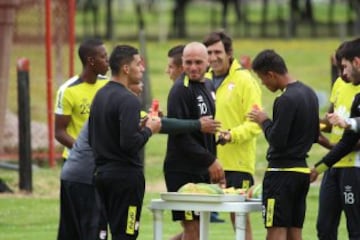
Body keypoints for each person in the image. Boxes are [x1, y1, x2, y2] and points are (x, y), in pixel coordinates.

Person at [88, 45, 162, 240]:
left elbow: (93, 138)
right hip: (125, 180)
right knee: (126, 234)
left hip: (101, 175)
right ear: (126, 68)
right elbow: (129, 144)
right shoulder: (128, 100)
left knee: (101, 234)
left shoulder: (100, 95)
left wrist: (137, 127)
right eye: (139, 64)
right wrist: (149, 130)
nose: (142, 68)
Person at [248, 49, 319, 240]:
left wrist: (264, 120)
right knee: (295, 231)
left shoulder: (285, 99)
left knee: (276, 229)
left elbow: (277, 141)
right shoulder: (310, 93)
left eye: (263, 79)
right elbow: (314, 135)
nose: (263, 84)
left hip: (280, 175)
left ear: (271, 74)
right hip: (301, 173)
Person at [164, 42, 226, 240]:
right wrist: (211, 161)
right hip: (182, 170)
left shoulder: (207, 85)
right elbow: (181, 137)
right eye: (188, 62)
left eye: (198, 62)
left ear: (208, 62)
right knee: (193, 229)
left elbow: (207, 134)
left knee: (196, 228)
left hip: (200, 169)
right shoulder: (179, 90)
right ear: (182, 63)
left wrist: (213, 165)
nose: (193, 67)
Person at [203, 30, 262, 235]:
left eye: (217, 52)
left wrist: (230, 135)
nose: (213, 57)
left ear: (229, 53)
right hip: (208, 162)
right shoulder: (203, 80)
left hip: (237, 164)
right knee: (198, 218)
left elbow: (255, 124)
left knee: (238, 219)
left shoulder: (245, 80)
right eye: (208, 52)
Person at [310, 38, 360, 240]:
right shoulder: (340, 84)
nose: (342, 74)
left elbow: (352, 139)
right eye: (339, 69)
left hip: (353, 167)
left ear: (356, 62)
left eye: (344, 67)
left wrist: (325, 156)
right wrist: (311, 126)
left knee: (355, 229)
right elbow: (330, 122)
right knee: (324, 228)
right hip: (334, 165)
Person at [54, 38, 109, 161]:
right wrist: (84, 152)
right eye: (103, 57)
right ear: (91, 61)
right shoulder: (67, 90)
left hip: (103, 161)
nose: (108, 61)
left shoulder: (107, 84)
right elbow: (59, 132)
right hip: (76, 160)